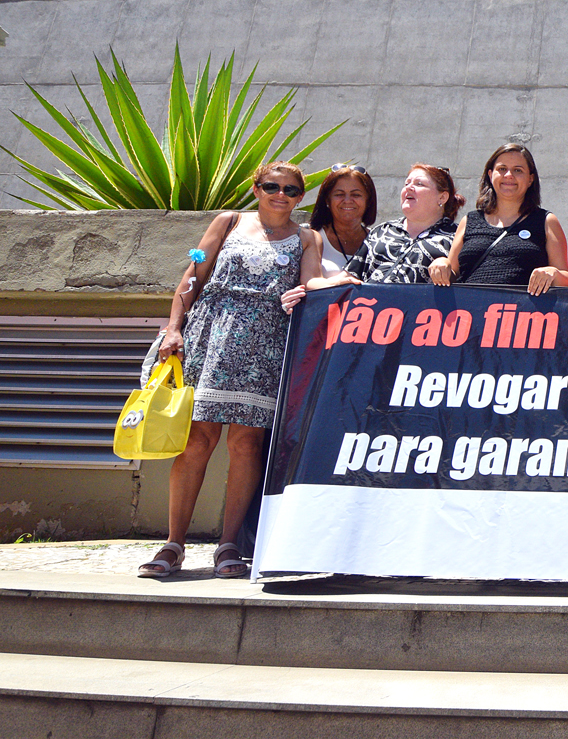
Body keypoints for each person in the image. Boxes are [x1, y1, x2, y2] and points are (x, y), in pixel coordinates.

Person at [137, 163, 322, 580]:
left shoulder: (307, 237)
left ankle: (229, 544)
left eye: (291, 190)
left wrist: (333, 283)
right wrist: (173, 328)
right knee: (196, 441)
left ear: (301, 196)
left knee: (246, 445)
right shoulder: (229, 222)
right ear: (256, 189)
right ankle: (173, 544)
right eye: (272, 186)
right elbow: (193, 275)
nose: (281, 194)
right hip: (211, 335)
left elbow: (309, 285)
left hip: (265, 346)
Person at [430, 144, 568, 295]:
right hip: (470, 308)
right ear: (490, 175)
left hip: (521, 308)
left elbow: (567, 279)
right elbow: (452, 274)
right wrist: (442, 264)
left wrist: (553, 273)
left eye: (518, 170)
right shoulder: (469, 221)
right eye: (502, 169)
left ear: (530, 179)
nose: (509, 175)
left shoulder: (546, 221)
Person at [306, 164, 462, 290]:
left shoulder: (456, 236)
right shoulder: (382, 230)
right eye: (406, 183)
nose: (409, 187)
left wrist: (447, 267)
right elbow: (349, 277)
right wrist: (309, 288)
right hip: (370, 314)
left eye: (419, 184)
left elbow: (464, 284)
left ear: (442, 197)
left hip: (419, 317)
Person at [308, 163, 376, 277]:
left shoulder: (379, 240)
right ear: (327, 200)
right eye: (339, 194)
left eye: (356, 195)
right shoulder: (310, 238)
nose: (347, 200)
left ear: (368, 200)